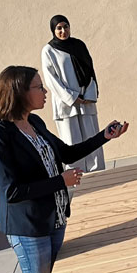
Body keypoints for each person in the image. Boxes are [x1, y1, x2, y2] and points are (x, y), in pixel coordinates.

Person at [0, 66, 129, 273]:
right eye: (39, 87)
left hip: (54, 221)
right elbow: (11, 191)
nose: (45, 92)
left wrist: (104, 137)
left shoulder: (35, 123)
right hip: (29, 229)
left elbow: (66, 152)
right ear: (19, 92)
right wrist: (59, 181)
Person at [40, 15, 104, 172]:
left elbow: (90, 70)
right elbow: (51, 80)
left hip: (86, 101)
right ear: (53, 30)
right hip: (67, 105)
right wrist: (72, 97)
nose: (63, 30)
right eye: (59, 28)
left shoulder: (79, 45)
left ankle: (98, 174)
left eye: (66, 26)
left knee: (92, 139)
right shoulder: (49, 51)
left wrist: (88, 95)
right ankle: (77, 180)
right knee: (72, 142)